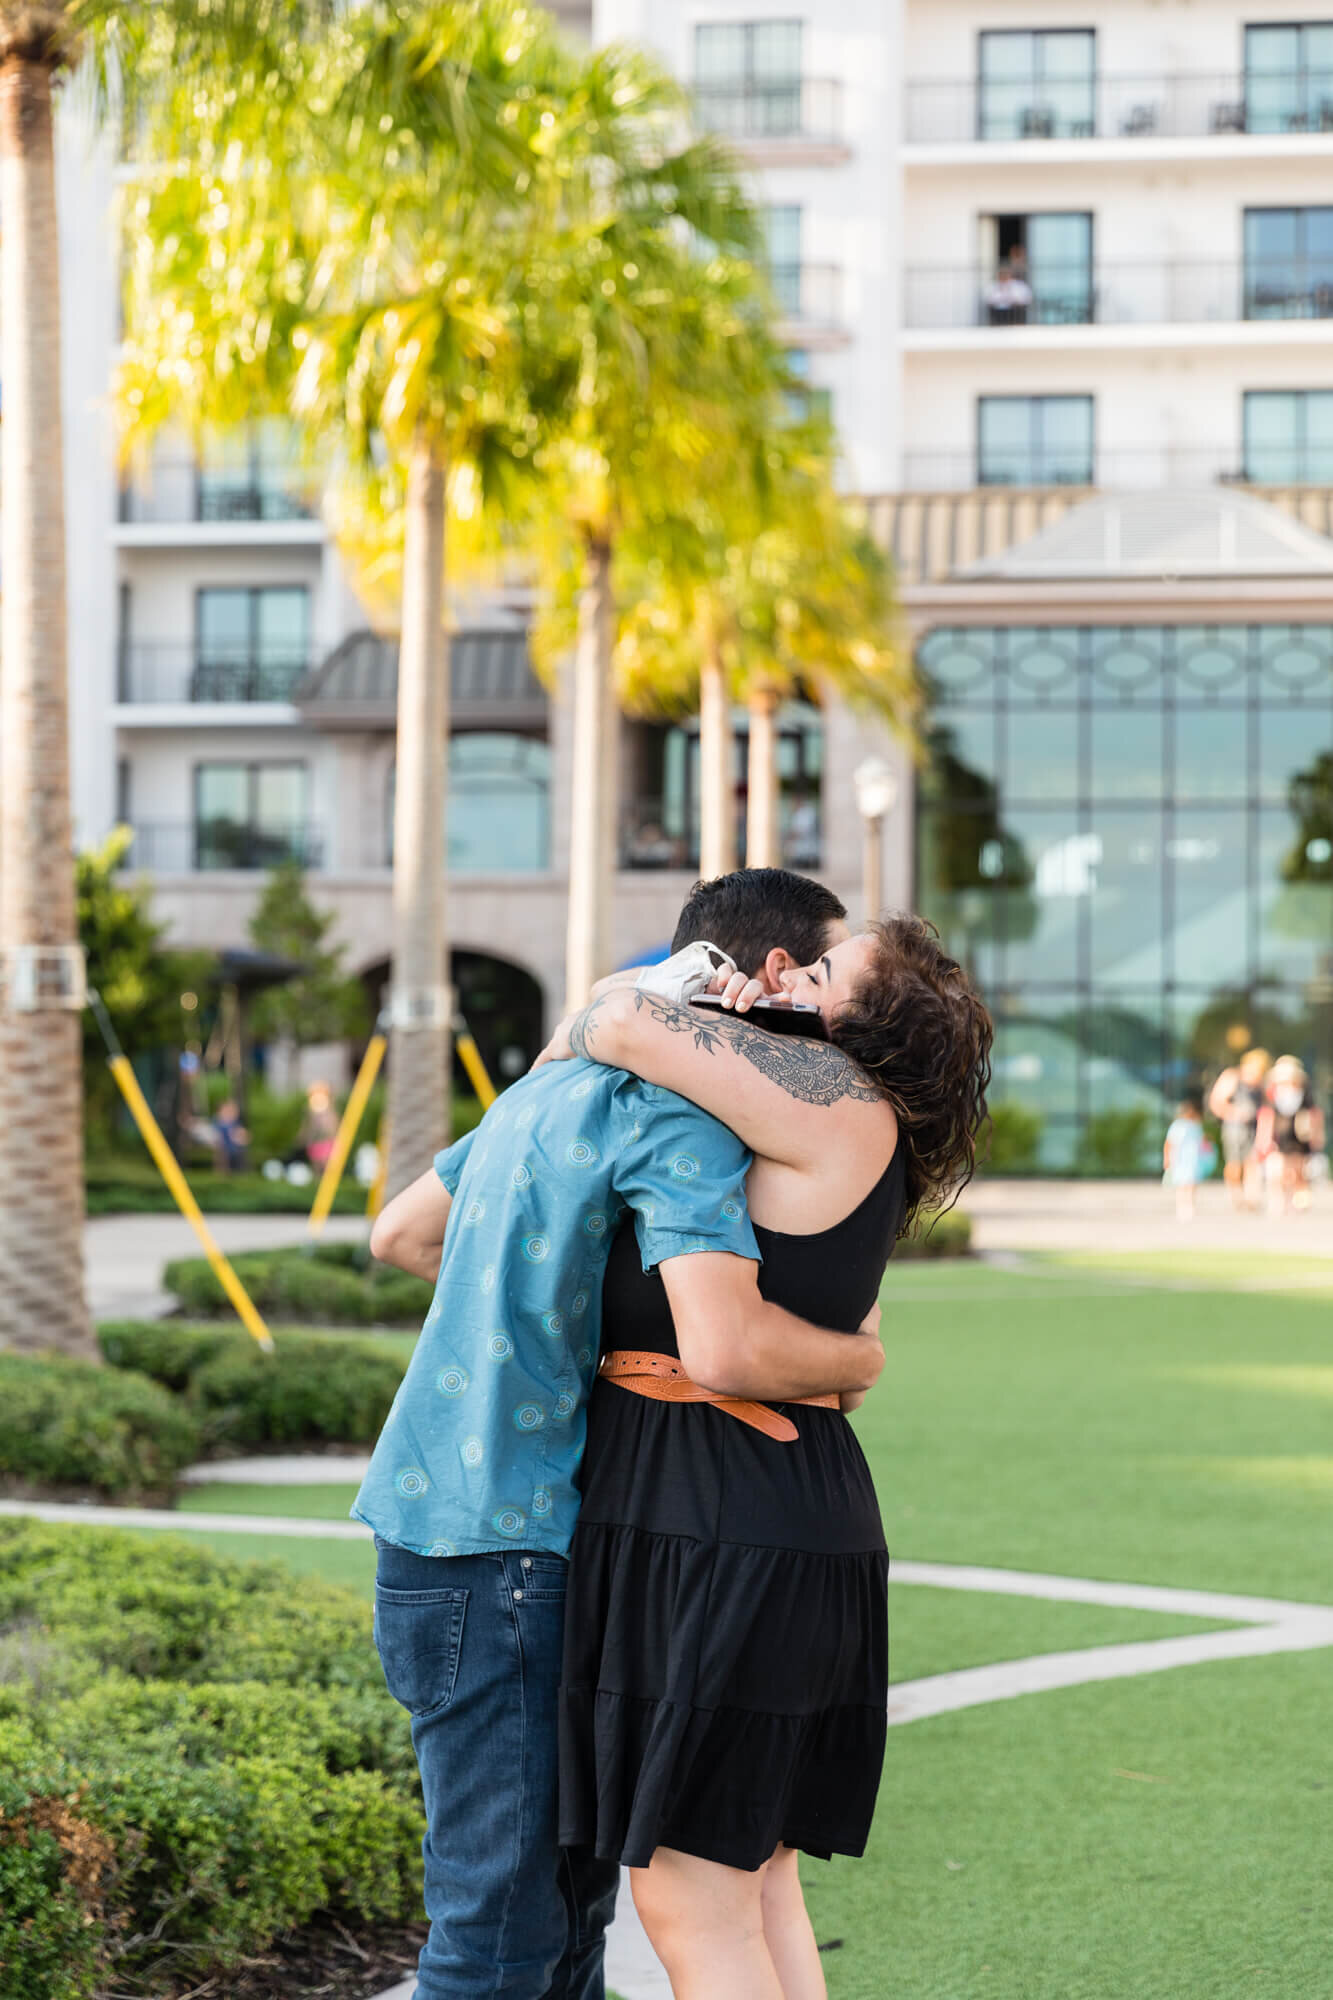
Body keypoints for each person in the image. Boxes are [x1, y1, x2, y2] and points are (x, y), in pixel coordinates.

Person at [357, 870, 880, 2000]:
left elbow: (399, 1232)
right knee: (510, 1945)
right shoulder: (680, 1118)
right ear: (771, 977)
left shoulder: (545, 1091)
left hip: (427, 1524)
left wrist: (530, 1291)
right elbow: (724, 1344)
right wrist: (856, 1355)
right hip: (520, 1543)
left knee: (537, 1929)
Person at [539, 913, 992, 1999]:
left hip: (722, 1511)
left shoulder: (829, 1096)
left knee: (690, 1900)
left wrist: (693, 984)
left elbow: (607, 1018)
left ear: (863, 1025)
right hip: (773, 1503)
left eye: (824, 971)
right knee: (755, 1882)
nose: (784, 973)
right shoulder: (844, 1119)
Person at [1257, 1054, 1325, 1213]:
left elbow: (1315, 1115)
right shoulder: (1273, 1095)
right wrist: (1264, 1138)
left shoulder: (1305, 1094)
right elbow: (1267, 1116)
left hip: (1300, 1137)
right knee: (1278, 1171)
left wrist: (1316, 1135)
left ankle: (1298, 1199)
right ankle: (1278, 1202)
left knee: (1298, 1171)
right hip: (1280, 1137)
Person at [1208, 1047, 1269, 1211]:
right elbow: (1216, 1102)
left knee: (1253, 1163)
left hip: (1254, 1127)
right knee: (1234, 1164)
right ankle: (1236, 1196)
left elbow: (1266, 1105)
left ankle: (1251, 1198)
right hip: (1234, 1127)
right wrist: (1234, 1113)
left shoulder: (1260, 1083)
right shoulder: (1232, 1077)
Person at [1163, 1098, 1209, 1221]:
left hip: (1193, 1158)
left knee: (1192, 1182)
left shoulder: (1195, 1125)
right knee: (1181, 1183)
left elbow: (1202, 1141)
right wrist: (1167, 1158)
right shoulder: (1177, 1126)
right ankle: (1181, 1205)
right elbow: (1169, 1142)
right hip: (1180, 1158)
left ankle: (1190, 1205)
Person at [984, 257, 1034, 325]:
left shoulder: (1019, 285)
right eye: (1002, 273)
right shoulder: (993, 286)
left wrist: (1014, 300)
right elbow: (988, 299)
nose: (1004, 276)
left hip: (1015, 312)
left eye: (1006, 273)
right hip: (998, 313)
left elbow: (1026, 298)